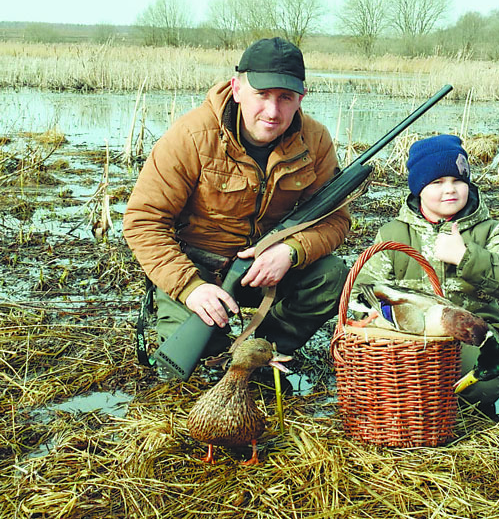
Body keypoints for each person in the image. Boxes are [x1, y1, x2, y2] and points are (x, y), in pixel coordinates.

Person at [123, 37, 350, 361]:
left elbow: (336, 219)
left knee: (331, 277)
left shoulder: (315, 140)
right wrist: (191, 288)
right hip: (199, 269)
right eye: (262, 95)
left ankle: (265, 351)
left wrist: (291, 251)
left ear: (301, 97)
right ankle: (212, 336)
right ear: (237, 88)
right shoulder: (191, 136)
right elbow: (143, 221)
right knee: (195, 365)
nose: (273, 111)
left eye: (285, 98)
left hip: (269, 270)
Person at [352, 134, 499, 417]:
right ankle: (409, 402)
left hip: (468, 336)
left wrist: (466, 258)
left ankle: (458, 406)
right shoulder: (393, 234)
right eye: (437, 182)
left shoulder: (488, 230)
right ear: (419, 187)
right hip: (405, 337)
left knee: (487, 385)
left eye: (458, 180)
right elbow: (361, 290)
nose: (450, 190)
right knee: (385, 370)